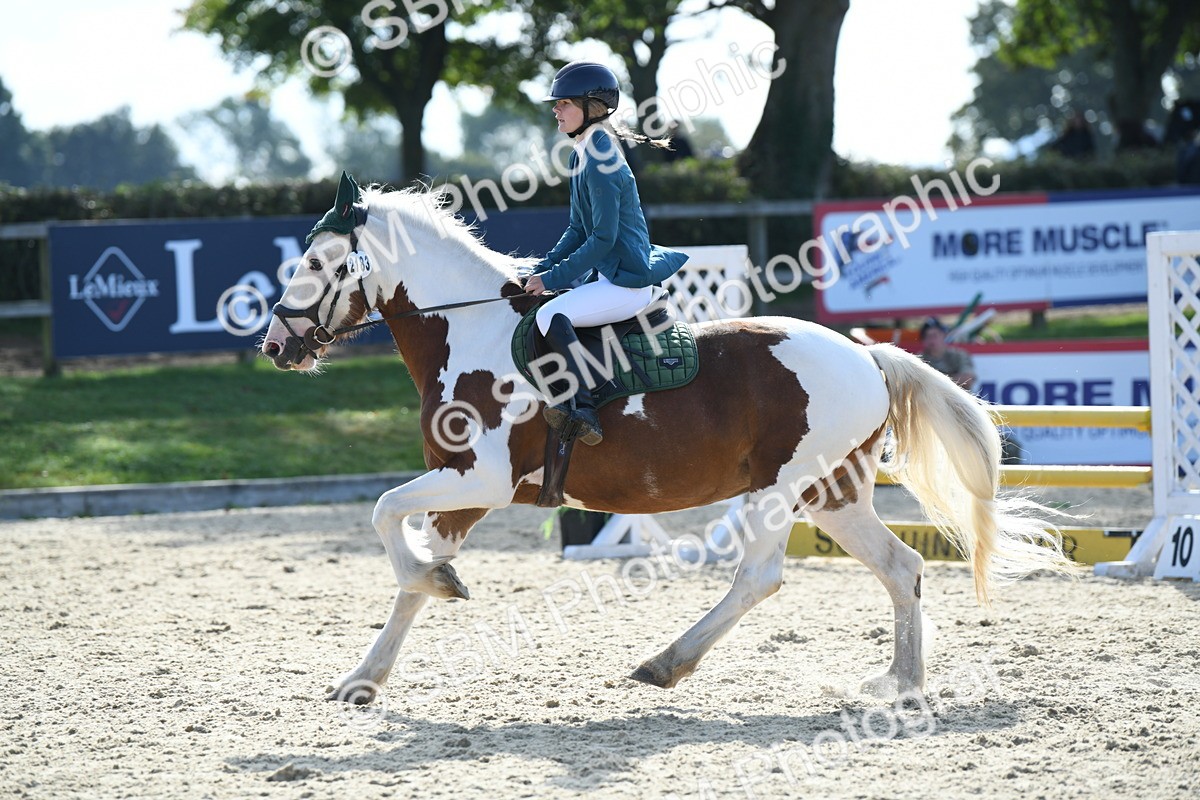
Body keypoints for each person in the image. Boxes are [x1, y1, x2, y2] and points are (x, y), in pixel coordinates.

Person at [524, 61, 688, 446]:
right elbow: (576, 229)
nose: (556, 110)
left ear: (590, 105)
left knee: (552, 313)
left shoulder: (600, 155)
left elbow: (601, 238)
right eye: (557, 103)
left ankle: (583, 410)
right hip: (609, 277)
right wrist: (541, 268)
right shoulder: (581, 153)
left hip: (627, 282)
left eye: (564, 103)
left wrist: (550, 280)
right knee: (548, 307)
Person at [918, 317, 976, 391]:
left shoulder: (959, 355)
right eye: (928, 336)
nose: (932, 340)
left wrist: (934, 383)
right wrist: (955, 379)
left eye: (935, 335)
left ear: (944, 336)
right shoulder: (919, 360)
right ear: (924, 340)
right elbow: (918, 385)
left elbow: (967, 379)